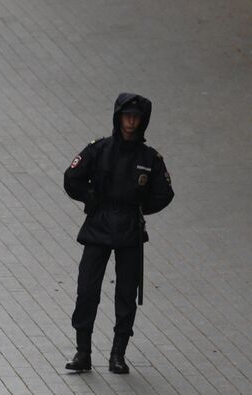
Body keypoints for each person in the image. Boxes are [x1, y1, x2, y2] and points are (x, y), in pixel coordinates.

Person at [62, 93, 174, 374]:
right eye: (127, 117)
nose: (131, 122)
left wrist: (139, 209)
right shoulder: (99, 149)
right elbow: (71, 178)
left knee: (126, 294)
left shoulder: (149, 158)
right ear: (118, 118)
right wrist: (92, 198)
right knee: (87, 289)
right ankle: (83, 352)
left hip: (129, 231)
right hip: (99, 225)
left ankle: (118, 354)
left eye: (136, 118)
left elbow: (164, 192)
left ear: (142, 121)